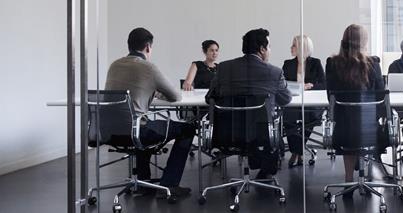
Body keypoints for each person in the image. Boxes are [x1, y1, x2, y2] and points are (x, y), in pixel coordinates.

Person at [104, 27, 195, 198]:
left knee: (141, 125)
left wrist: (150, 90)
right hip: (136, 130)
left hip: (110, 130)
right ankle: (169, 184)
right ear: (147, 47)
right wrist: (155, 90)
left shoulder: (114, 65)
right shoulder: (148, 67)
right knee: (187, 129)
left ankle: (144, 183)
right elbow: (175, 96)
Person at [205, 28, 292, 179]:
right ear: (262, 49)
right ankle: (265, 172)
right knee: (270, 122)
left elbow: (210, 97)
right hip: (262, 135)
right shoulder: (274, 72)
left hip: (227, 133)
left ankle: (258, 166)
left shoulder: (224, 68)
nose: (270, 50)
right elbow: (285, 99)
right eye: (269, 47)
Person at [324, 24, 385, 183]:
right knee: (360, 129)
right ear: (364, 42)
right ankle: (365, 175)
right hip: (369, 130)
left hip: (342, 130)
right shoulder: (373, 64)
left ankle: (349, 178)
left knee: (349, 130)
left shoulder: (332, 63)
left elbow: (330, 97)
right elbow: (380, 97)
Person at [282, 35, 325, 168]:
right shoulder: (288, 64)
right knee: (289, 117)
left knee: (308, 116)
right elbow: (282, 84)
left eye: (293, 45)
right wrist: (298, 87)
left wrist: (310, 86)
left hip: (311, 103)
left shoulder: (315, 63)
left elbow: (324, 84)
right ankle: (298, 152)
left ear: (302, 48)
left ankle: (296, 152)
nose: (291, 48)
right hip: (293, 102)